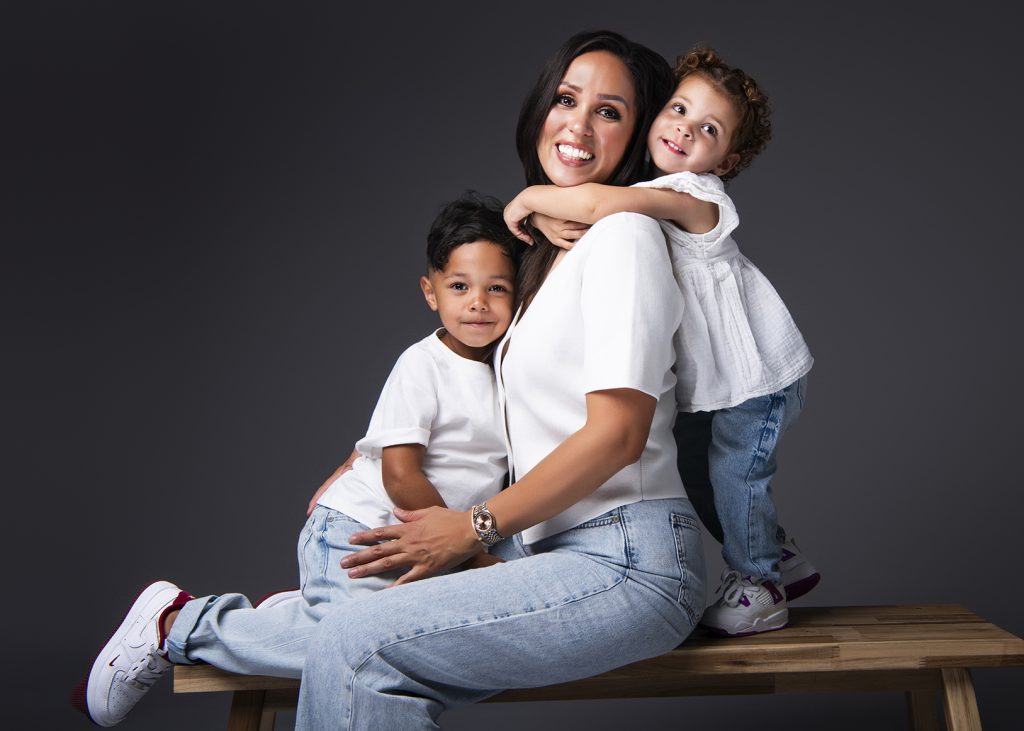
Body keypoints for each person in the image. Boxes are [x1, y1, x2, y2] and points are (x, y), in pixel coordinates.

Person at [293, 30, 706, 730]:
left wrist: (472, 527)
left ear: (637, 136)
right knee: (343, 632)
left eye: (609, 111)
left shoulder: (626, 238)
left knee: (356, 646)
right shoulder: (551, 254)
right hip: (551, 546)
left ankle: (184, 625)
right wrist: (365, 457)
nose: (578, 125)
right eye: (566, 99)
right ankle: (181, 623)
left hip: (629, 559)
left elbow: (619, 435)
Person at [71, 193, 521, 727]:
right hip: (362, 532)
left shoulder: (505, 367)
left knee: (416, 650)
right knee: (354, 652)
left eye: (497, 288)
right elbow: (401, 474)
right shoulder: (423, 364)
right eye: (460, 287)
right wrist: (467, 554)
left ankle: (294, 617)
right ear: (430, 292)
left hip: (423, 545)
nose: (478, 303)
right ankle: (176, 623)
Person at [502, 47, 816, 636]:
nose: (685, 129)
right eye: (678, 109)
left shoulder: (697, 196)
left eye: (710, 129)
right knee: (696, 471)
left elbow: (597, 202)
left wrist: (525, 203)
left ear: (727, 161)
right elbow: (595, 205)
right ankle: (780, 553)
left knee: (736, 476)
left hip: (759, 377)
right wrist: (544, 219)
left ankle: (762, 581)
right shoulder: (649, 191)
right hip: (718, 381)